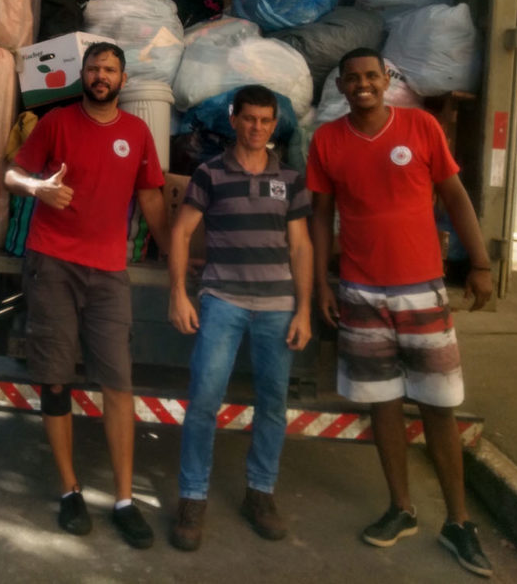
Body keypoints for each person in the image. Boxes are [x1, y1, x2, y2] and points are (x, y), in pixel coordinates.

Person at [307, 47, 494, 578]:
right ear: (341, 87)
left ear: (386, 80)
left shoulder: (421, 128)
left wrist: (479, 262)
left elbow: (454, 195)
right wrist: (322, 280)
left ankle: (458, 522)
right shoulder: (327, 141)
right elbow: (321, 217)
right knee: (382, 404)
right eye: (353, 79)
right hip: (362, 293)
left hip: (422, 292)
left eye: (372, 76)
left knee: (439, 406)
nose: (363, 84)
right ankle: (401, 509)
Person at [4, 41, 169, 549]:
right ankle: (69, 490)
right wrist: (39, 190)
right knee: (55, 380)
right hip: (51, 263)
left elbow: (150, 195)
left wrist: (177, 260)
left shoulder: (137, 132)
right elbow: (11, 173)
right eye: (94, 68)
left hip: (108, 272)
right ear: (83, 74)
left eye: (110, 69)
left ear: (123, 78)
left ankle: (124, 499)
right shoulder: (55, 123)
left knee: (118, 385)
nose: (101, 76)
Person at [167, 85, 313, 551]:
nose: (257, 127)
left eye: (266, 120)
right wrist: (178, 295)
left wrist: (305, 309)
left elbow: (301, 246)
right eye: (249, 118)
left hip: (277, 306)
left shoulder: (289, 179)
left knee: (272, 404)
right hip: (222, 301)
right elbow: (182, 232)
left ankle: (261, 493)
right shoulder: (209, 174)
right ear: (234, 120)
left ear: (275, 125)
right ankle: (191, 499)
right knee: (204, 399)